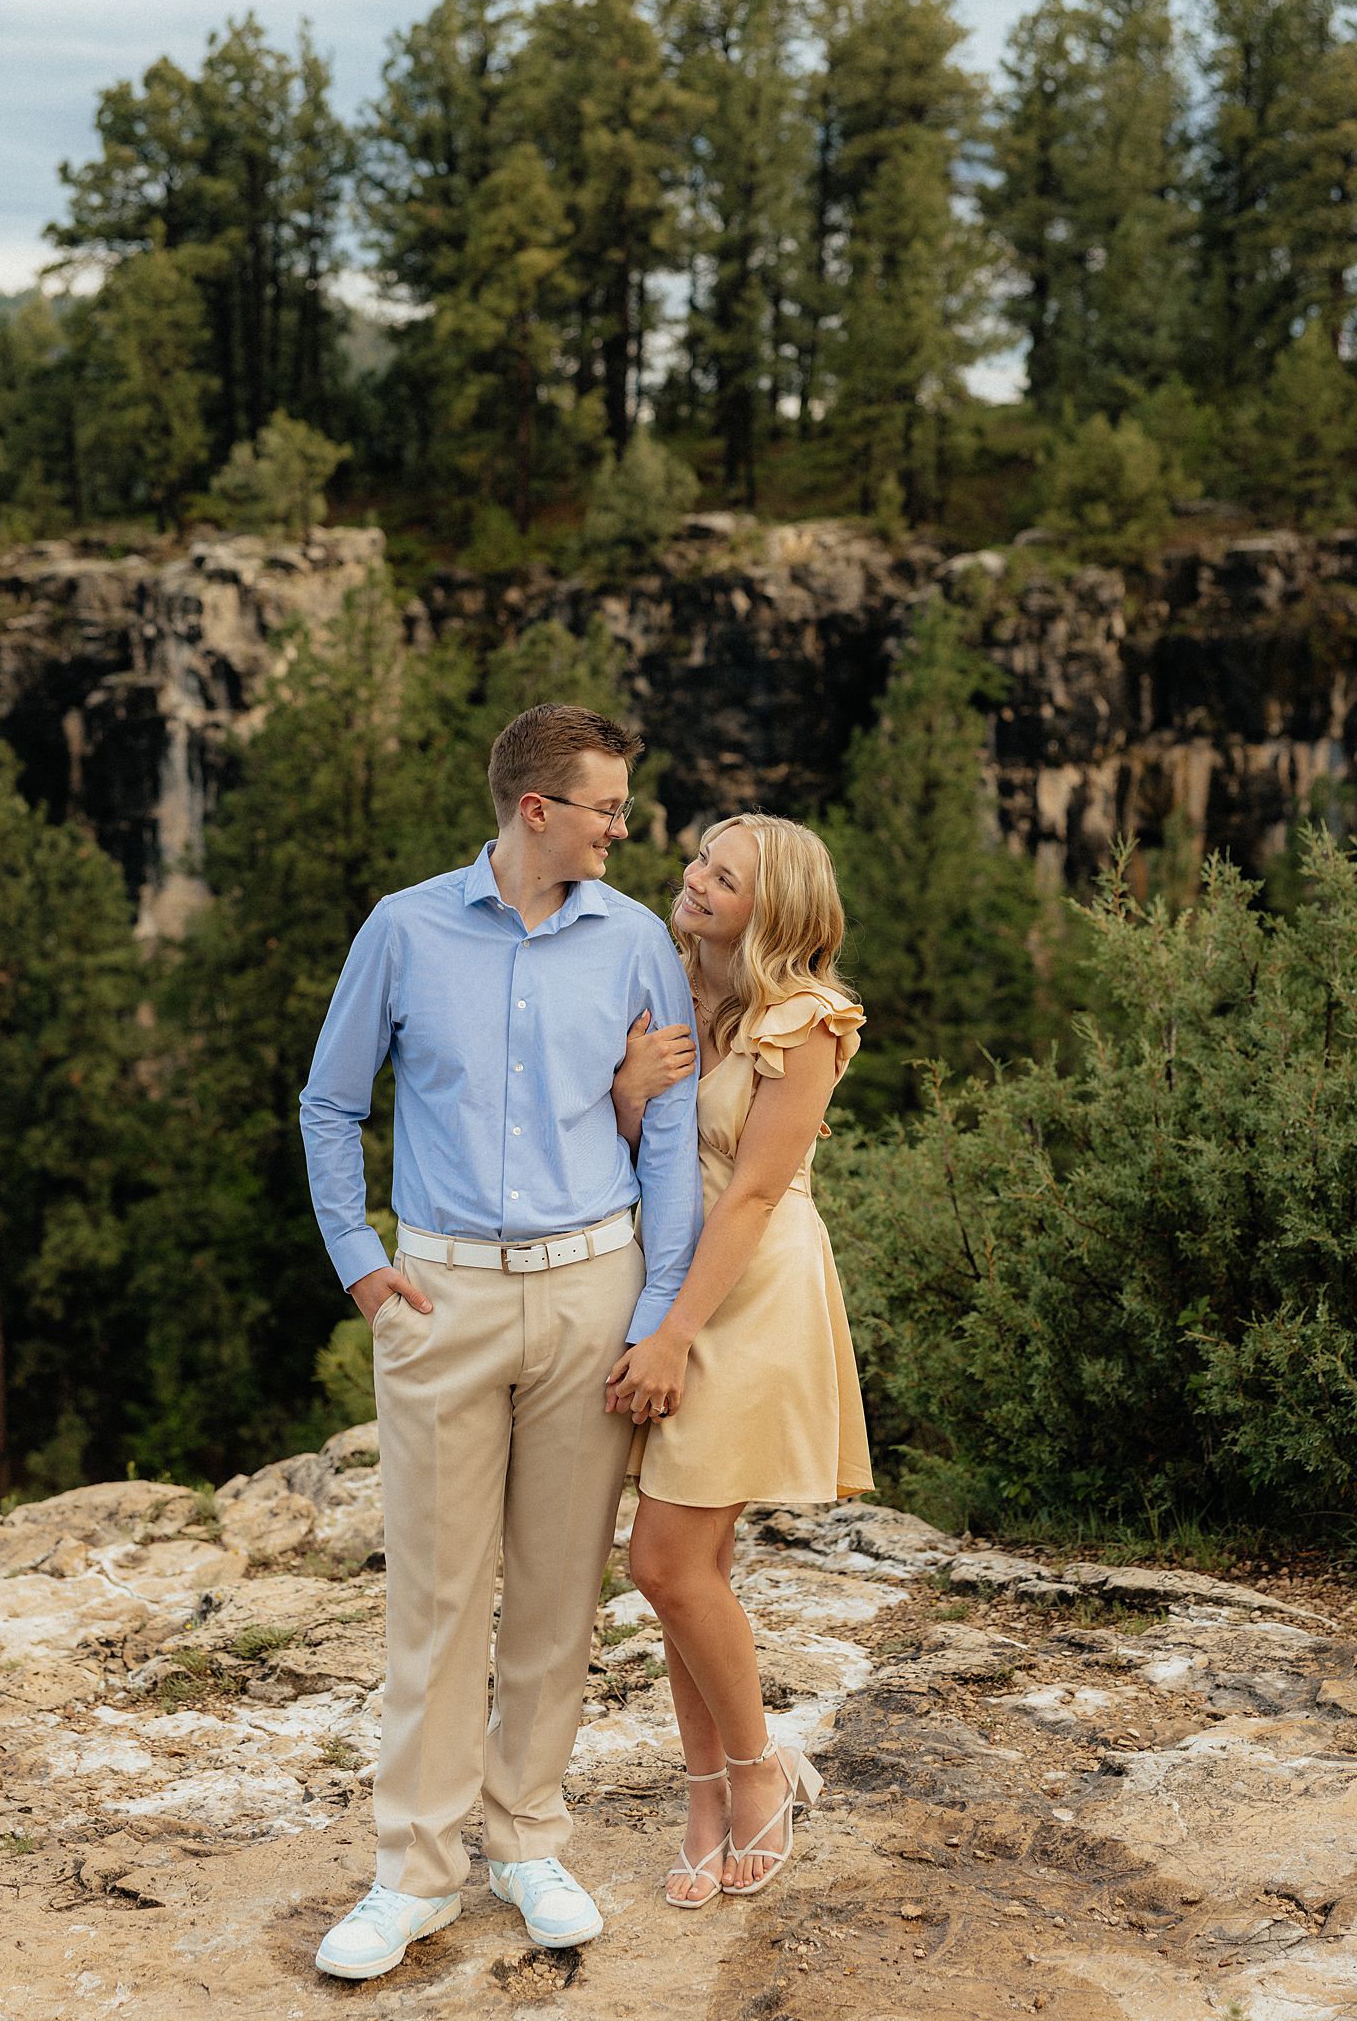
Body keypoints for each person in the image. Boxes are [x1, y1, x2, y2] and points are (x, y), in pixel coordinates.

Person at [299, 704, 702, 1982]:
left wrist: (655, 1313)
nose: (624, 827)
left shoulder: (636, 939)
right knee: (431, 1593)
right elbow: (327, 1100)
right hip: (442, 1298)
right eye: (606, 807)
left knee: (553, 1592)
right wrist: (362, 1266)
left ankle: (527, 1837)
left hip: (594, 1290)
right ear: (536, 809)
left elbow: (674, 1135)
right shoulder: (404, 927)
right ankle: (411, 1870)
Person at [605, 812, 871, 1906]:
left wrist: (670, 1331)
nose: (697, 879)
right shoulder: (662, 981)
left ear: (777, 906)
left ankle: (758, 1766)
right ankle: (709, 1791)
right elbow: (615, 1140)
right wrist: (628, 1094)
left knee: (662, 1562)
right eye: (700, 861)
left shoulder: (805, 1017)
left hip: (750, 1293)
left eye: (727, 874)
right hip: (672, 1270)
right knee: (687, 1573)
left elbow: (755, 1189)